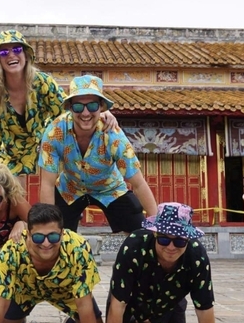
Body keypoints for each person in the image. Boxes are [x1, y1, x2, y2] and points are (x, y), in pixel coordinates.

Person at [103, 202, 231, 323]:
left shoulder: (196, 254)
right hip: (131, 296)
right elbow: (118, 302)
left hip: (170, 296)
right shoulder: (133, 245)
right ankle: (136, 317)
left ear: (187, 239)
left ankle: (147, 318)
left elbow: (204, 307)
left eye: (179, 241)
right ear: (155, 233)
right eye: (164, 239)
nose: (171, 247)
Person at [0, 30, 118, 176]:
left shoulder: (42, 82)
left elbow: (66, 108)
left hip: (47, 143)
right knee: (13, 195)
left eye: (17, 49)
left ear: (26, 55)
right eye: (4, 52)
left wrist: (101, 110)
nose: (11, 55)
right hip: (13, 156)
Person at [38, 75, 157, 233]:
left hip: (109, 188)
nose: (85, 113)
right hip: (70, 188)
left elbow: (138, 183)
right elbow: (47, 183)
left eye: (92, 106)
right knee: (54, 233)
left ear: (101, 107)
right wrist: (48, 228)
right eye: (78, 107)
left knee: (140, 232)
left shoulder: (114, 136)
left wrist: (157, 223)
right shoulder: (55, 132)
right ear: (70, 108)